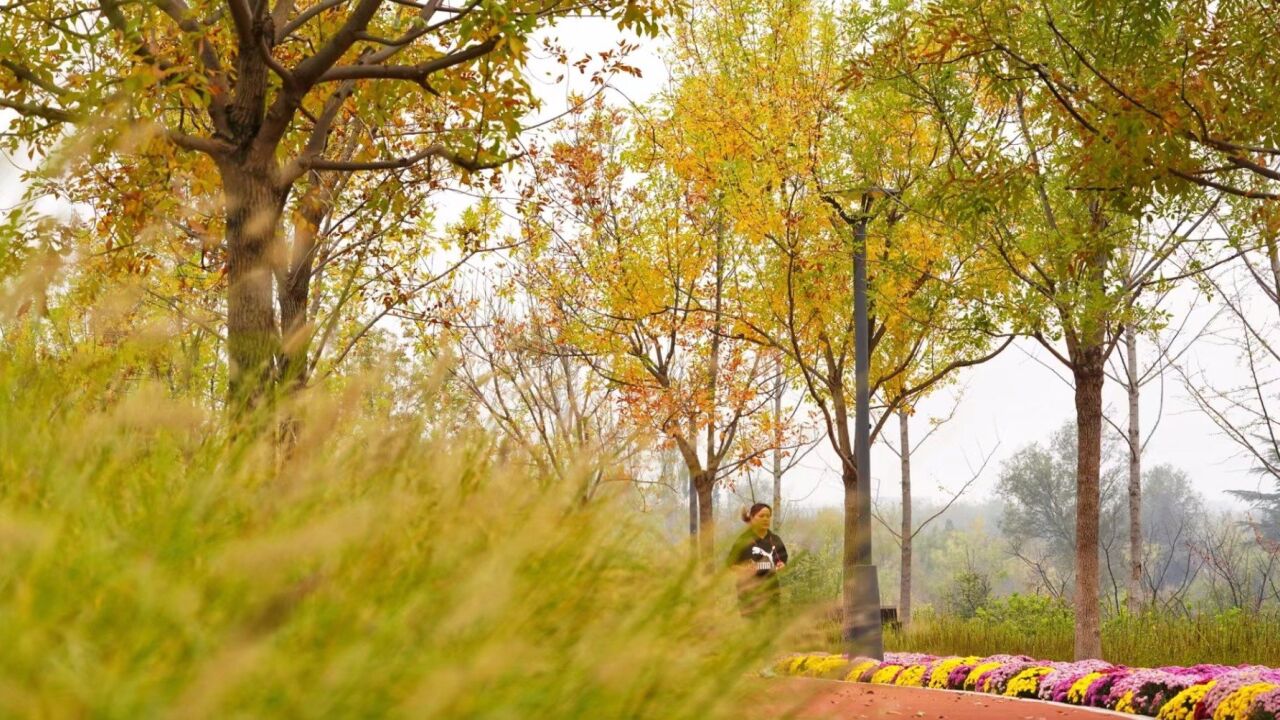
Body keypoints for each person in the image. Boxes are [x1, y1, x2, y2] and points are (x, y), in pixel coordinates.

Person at [728, 502, 788, 621]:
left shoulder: (775, 540)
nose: (766, 519)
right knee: (752, 631)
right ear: (752, 518)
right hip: (749, 594)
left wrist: (781, 565)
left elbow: (781, 561)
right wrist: (744, 570)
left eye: (768, 516)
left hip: (771, 592)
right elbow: (730, 564)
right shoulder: (743, 540)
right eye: (761, 516)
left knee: (772, 629)